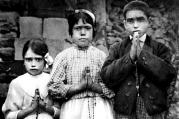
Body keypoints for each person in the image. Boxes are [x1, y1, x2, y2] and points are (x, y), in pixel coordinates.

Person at [100, 1, 177, 119]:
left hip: (152, 110)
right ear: (125, 24)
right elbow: (107, 77)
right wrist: (129, 57)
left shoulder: (161, 48)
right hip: (124, 111)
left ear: (149, 22)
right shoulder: (116, 48)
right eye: (130, 21)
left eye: (140, 20)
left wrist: (142, 55)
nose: (135, 25)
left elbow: (167, 76)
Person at [47, 9, 115, 119]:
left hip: (100, 108)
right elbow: (53, 87)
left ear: (93, 31)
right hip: (73, 109)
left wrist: (93, 86)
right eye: (78, 28)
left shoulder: (102, 56)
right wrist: (79, 87)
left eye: (87, 28)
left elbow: (112, 86)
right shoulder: (64, 56)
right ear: (70, 33)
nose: (83, 33)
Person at [2, 38, 60, 119]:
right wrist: (30, 109)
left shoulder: (53, 81)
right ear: (24, 61)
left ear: (45, 60)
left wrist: (46, 107)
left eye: (38, 59)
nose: (33, 64)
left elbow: (61, 112)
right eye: (29, 59)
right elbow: (8, 115)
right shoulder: (17, 83)